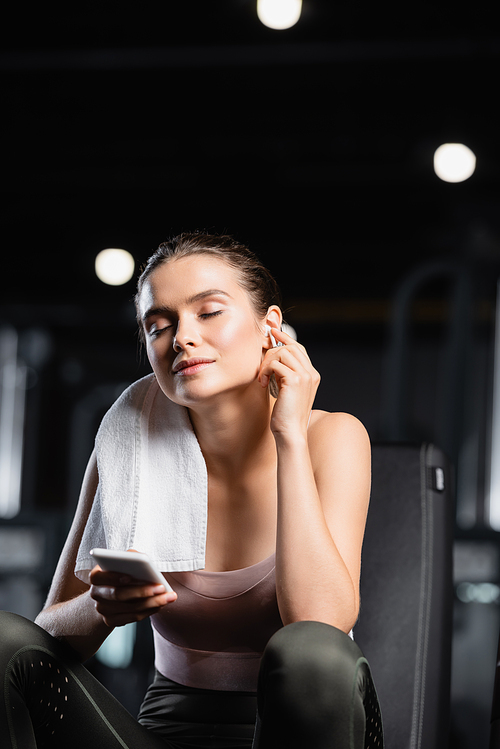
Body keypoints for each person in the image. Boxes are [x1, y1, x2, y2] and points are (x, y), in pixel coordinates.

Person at [0, 232, 383, 749]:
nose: (181, 337)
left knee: (311, 650)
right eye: (158, 325)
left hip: (306, 723)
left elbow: (322, 623)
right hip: (166, 727)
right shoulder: (126, 442)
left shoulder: (331, 436)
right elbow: (48, 632)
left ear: (269, 326)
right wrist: (102, 606)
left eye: (208, 313)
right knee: (5, 642)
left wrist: (288, 434)